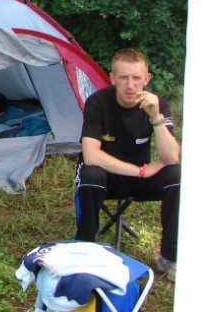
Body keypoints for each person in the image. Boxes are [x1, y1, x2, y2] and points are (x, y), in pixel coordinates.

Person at [74, 48, 181, 282]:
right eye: (123, 77)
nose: (130, 85)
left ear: (147, 79)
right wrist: (141, 171)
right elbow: (91, 155)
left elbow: (171, 156)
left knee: (177, 175)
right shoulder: (98, 102)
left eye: (136, 78)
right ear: (112, 78)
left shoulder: (157, 104)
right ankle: (84, 250)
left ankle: (170, 257)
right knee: (90, 173)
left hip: (138, 181)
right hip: (107, 176)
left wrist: (156, 118)